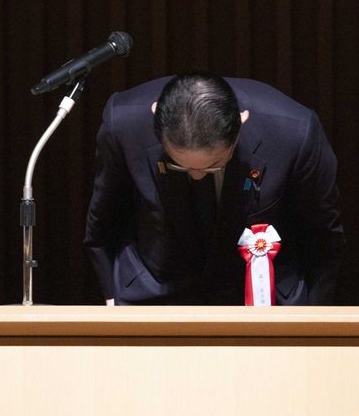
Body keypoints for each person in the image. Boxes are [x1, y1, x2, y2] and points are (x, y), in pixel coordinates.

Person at [84, 72, 343, 305]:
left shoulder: (294, 131)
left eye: (214, 166)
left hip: (260, 298)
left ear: (242, 123)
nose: (197, 176)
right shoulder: (123, 121)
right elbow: (103, 221)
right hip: (153, 287)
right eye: (180, 166)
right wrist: (110, 296)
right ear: (154, 117)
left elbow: (323, 236)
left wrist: (314, 316)